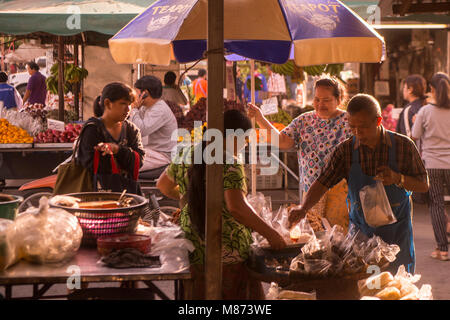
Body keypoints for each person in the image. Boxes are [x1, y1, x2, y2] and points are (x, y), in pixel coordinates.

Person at [289, 94, 429, 274]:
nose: (357, 133)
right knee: (363, 283)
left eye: (363, 127)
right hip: (361, 234)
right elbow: (323, 182)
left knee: (396, 286)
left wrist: (398, 178)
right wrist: (303, 207)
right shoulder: (345, 150)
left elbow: (423, 185)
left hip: (397, 235)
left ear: (378, 121)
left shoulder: (403, 146)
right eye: (352, 126)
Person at [156, 109, 287, 299]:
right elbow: (236, 207)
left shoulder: (186, 152)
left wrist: (193, 199)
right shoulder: (230, 162)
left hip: (193, 246)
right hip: (228, 248)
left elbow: (164, 186)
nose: (246, 144)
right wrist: (271, 233)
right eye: (245, 139)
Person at [248, 77, 352, 231]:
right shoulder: (304, 120)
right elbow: (282, 141)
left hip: (341, 193)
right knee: (316, 238)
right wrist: (260, 118)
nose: (320, 104)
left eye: (326, 100)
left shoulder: (349, 121)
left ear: (339, 99)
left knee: (340, 238)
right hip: (311, 193)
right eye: (317, 99)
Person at [78, 82, 145, 195]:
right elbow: (88, 164)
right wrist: (123, 161)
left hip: (128, 194)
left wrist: (117, 150)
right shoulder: (92, 129)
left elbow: (139, 161)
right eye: (123, 103)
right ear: (108, 103)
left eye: (130, 104)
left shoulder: (131, 130)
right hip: (97, 195)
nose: (128, 109)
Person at [412, 72, 450, 261]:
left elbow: (414, 134)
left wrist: (415, 122)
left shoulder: (425, 111)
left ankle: (442, 249)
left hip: (432, 164)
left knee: (436, 204)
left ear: (432, 90)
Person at [129, 75, 178, 172]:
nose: (135, 97)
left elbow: (140, 130)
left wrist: (134, 109)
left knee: (127, 162)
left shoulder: (159, 110)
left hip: (162, 155)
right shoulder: (145, 107)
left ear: (145, 93)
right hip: (151, 152)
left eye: (137, 93)